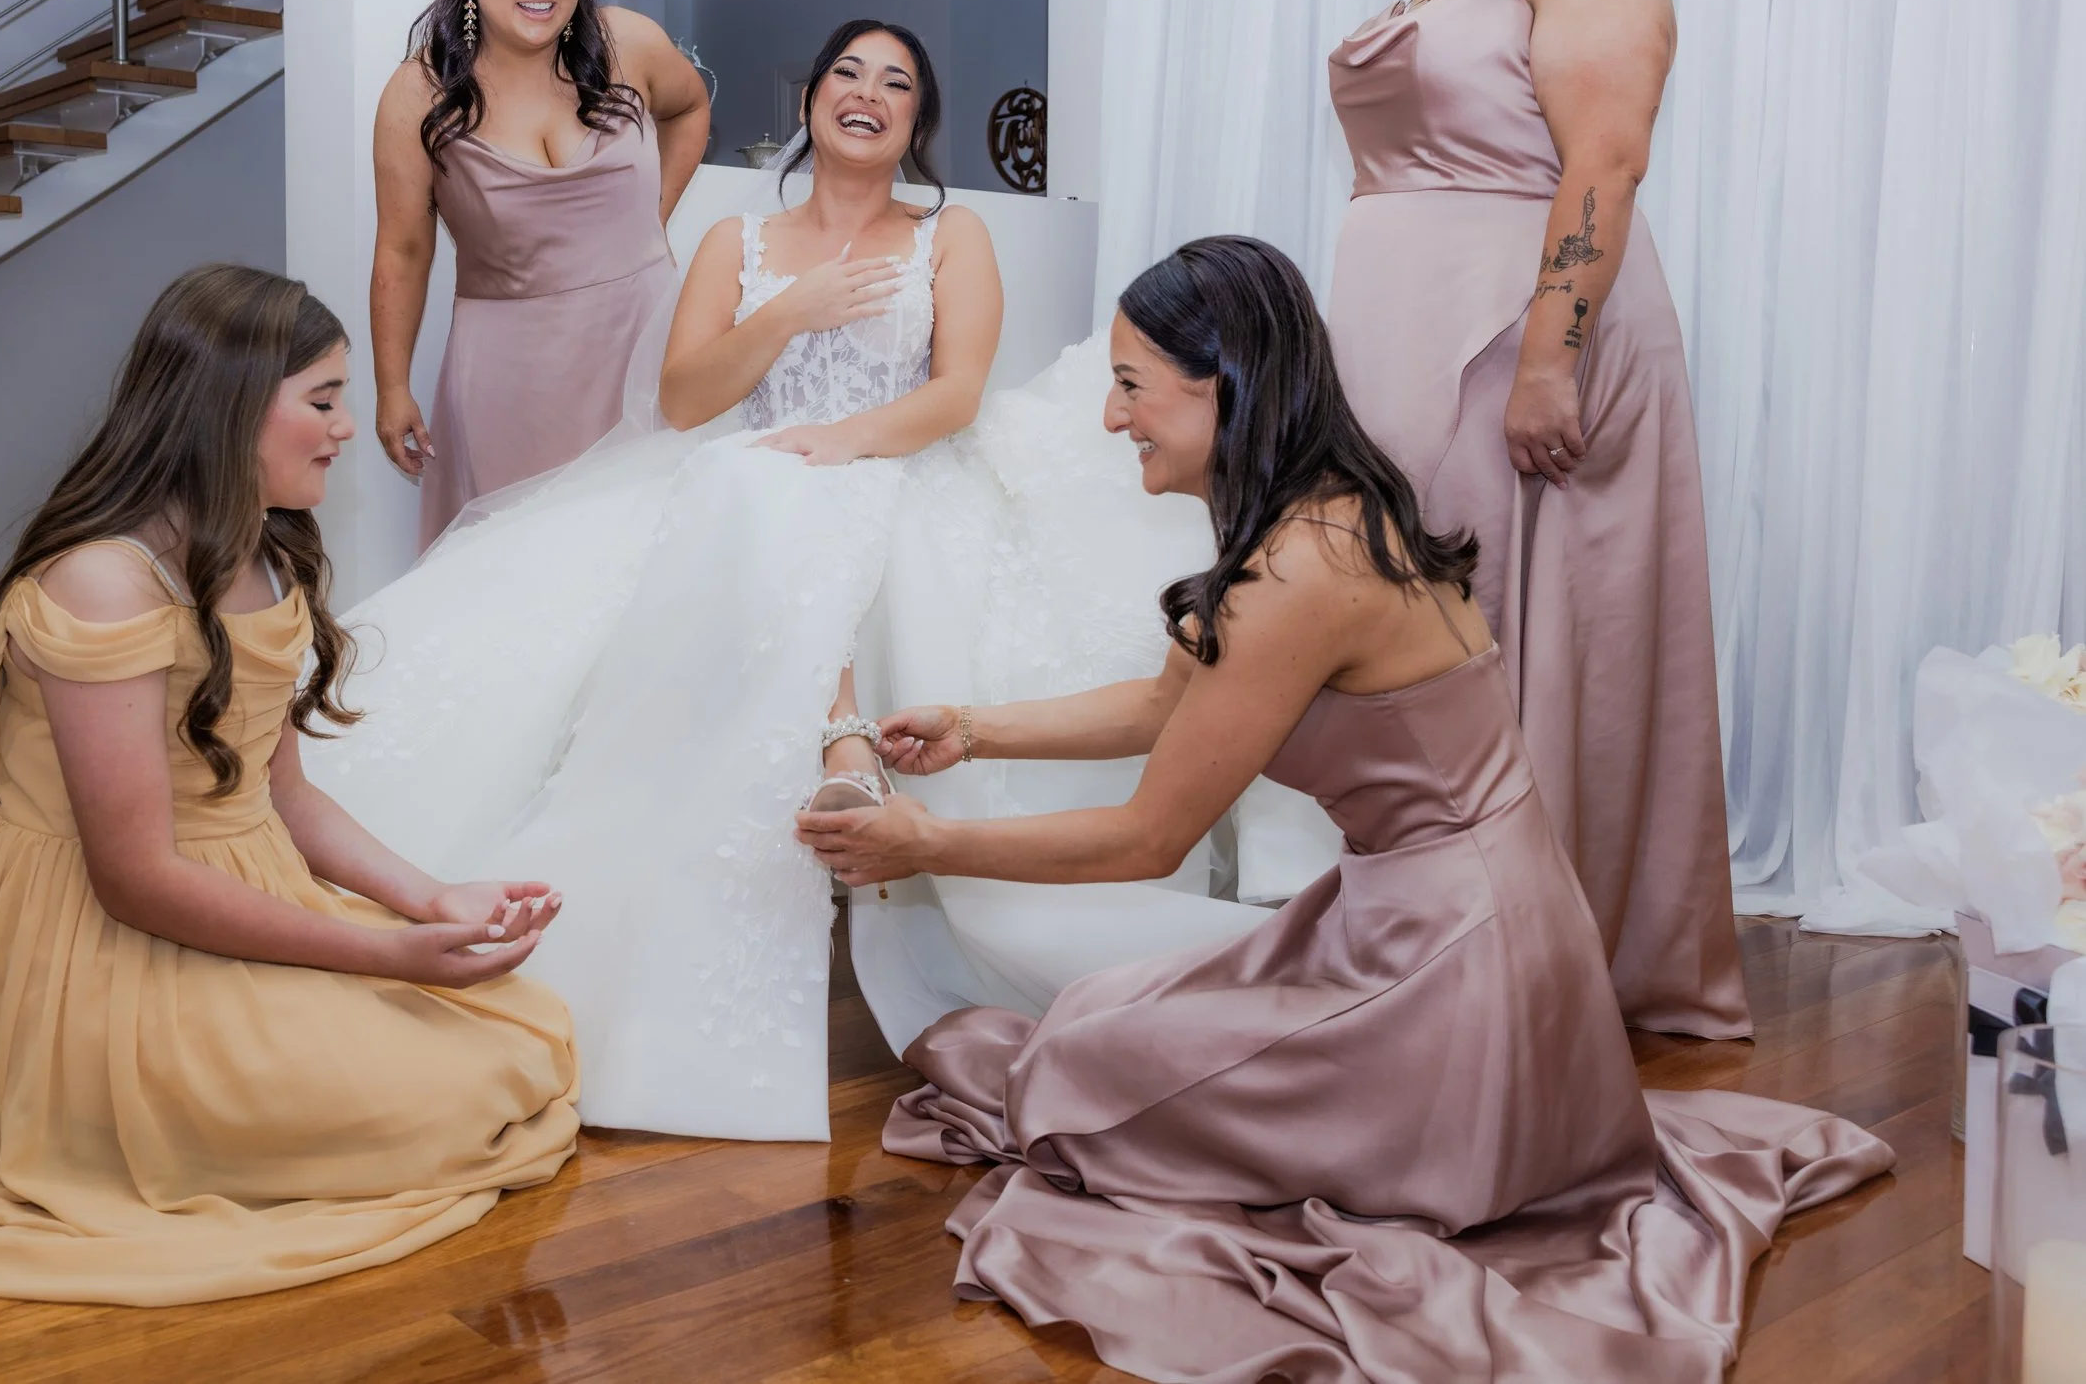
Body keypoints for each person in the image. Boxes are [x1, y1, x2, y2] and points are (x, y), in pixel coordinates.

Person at [797, 236, 1893, 1383]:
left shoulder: (1301, 571)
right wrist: (977, 725)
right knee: (1097, 1020)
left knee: (1078, 1067)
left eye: (1129, 386)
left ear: (1223, 378)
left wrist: (924, 840)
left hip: (1449, 972)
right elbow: (1173, 699)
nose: (1113, 419)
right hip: (1459, 926)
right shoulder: (1312, 512)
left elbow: (1147, 836)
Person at [307, 21, 1320, 1141]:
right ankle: (825, 747)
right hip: (751, 473)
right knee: (734, 496)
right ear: (809, 100)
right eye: (848, 72)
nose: (868, 94)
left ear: (915, 121)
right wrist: (786, 313)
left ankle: (845, 741)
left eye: (897, 84)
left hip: (897, 469)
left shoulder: (951, 233)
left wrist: (839, 442)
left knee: (777, 491)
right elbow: (688, 400)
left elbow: (956, 392)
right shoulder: (734, 240)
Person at [0, 266, 581, 1305]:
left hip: (242, 898)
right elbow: (136, 877)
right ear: (229, 402)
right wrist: (382, 950)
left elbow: (285, 797)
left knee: (519, 1038)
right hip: (113, 940)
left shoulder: (263, 554)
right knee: (440, 1100)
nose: (348, 428)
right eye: (322, 398)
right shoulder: (102, 581)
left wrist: (430, 896)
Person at [1326, 0, 1749, 1036]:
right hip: (1416, 338)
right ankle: (1445, 935)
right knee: (1430, 635)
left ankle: (1530, 959)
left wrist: (1552, 358)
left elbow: (1601, 168)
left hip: (1519, 337)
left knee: (1511, 639)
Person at [372, 0, 712, 547]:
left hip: (643, 341)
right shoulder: (418, 93)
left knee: (649, 552)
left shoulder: (629, 43)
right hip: (510, 373)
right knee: (525, 564)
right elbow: (403, 249)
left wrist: (652, 218)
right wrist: (391, 386)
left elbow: (691, 105)